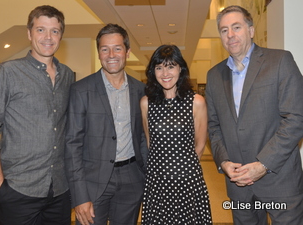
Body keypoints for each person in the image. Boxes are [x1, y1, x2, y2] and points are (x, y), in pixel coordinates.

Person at [206, 5, 303, 225]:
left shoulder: (280, 61)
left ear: (250, 30)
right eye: (224, 30)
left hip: (280, 183)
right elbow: (213, 127)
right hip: (238, 187)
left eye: (236, 27)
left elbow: (296, 118)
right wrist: (224, 162)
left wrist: (263, 165)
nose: (230, 35)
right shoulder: (214, 76)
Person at [0, 5, 74, 225]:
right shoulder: (7, 72)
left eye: (55, 31)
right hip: (17, 190)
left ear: (61, 35)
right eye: (41, 30)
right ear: (29, 33)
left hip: (60, 191)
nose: (48, 37)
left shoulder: (68, 76)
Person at [65, 23, 148, 225]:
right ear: (99, 53)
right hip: (92, 182)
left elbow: (144, 138)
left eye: (117, 48)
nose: (111, 54)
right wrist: (80, 196)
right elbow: (72, 145)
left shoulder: (141, 90)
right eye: (105, 49)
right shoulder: (81, 90)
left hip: (132, 179)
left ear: (127, 52)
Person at [140, 45, 212, 224]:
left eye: (171, 66)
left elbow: (200, 145)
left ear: (181, 69)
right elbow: (151, 143)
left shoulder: (196, 102)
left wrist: (182, 171)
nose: (165, 73)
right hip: (157, 182)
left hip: (187, 181)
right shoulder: (146, 103)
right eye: (159, 67)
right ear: (153, 72)